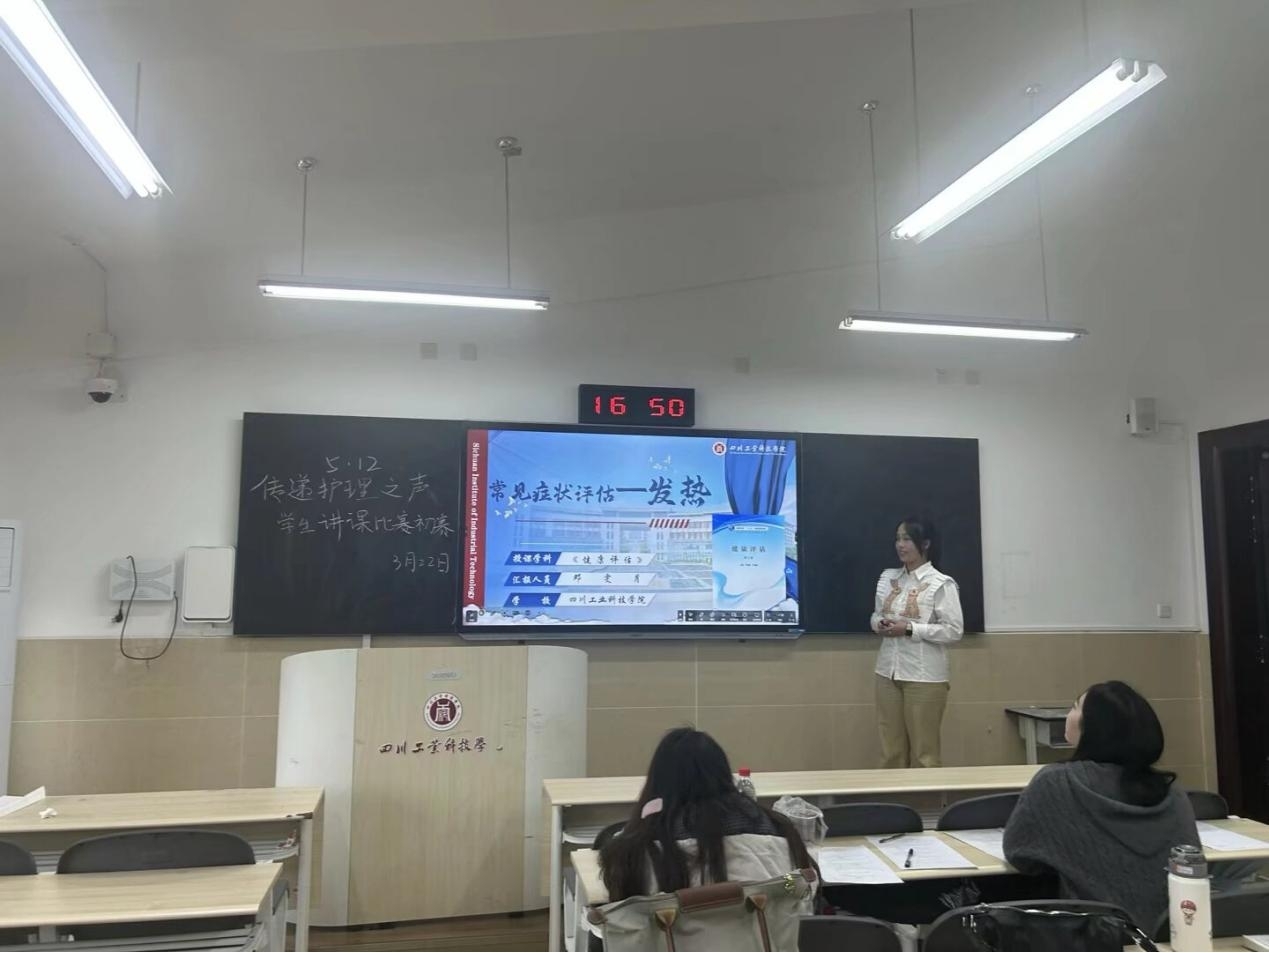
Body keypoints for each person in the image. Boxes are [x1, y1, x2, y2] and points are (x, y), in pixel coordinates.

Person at [1003, 681, 1199, 931]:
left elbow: (1019, 854)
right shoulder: (1172, 792)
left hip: (1091, 936)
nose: (1069, 715)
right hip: (1173, 934)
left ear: (1093, 727)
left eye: (1075, 707)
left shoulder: (1056, 782)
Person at [599, 728, 816, 902]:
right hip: (766, 939)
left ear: (658, 783)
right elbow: (800, 896)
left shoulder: (632, 853)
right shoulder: (778, 831)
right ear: (723, 774)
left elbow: (624, 919)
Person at [871, 517, 963, 768]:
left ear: (925, 543)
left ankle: (927, 796)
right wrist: (879, 624)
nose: (900, 545)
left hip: (924, 676)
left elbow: (953, 631)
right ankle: (892, 794)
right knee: (891, 751)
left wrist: (910, 628)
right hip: (887, 672)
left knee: (925, 753)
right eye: (898, 539)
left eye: (907, 539)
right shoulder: (889, 578)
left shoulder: (940, 583)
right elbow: (876, 615)